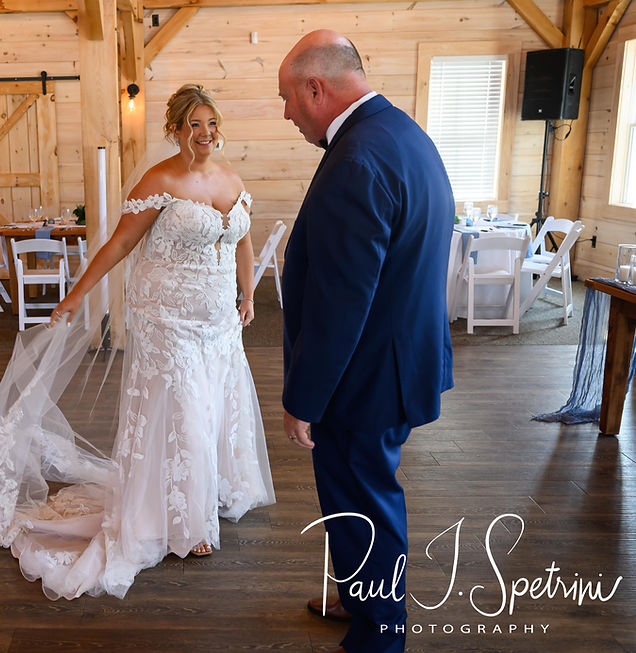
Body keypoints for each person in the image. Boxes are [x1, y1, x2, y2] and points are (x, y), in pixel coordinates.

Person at [0, 84, 274, 599]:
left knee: (212, 406)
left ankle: (207, 491)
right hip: (167, 318)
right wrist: (77, 295)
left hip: (218, 323)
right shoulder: (159, 180)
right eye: (194, 125)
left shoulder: (232, 178)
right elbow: (119, 241)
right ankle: (184, 522)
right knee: (181, 408)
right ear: (176, 130)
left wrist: (247, 295)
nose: (205, 134)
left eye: (211, 125)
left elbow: (243, 241)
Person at [277, 30, 454, 653]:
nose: (288, 113)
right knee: (361, 508)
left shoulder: (355, 158)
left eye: (287, 99)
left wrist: (306, 397)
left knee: (366, 514)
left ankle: (379, 637)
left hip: (364, 378)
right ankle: (359, 600)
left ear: (315, 88)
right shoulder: (402, 134)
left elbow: (341, 301)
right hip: (396, 361)